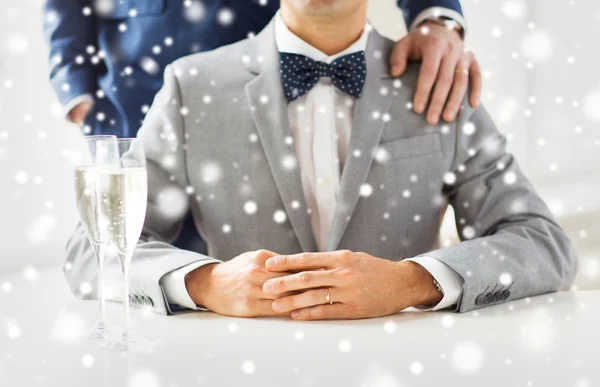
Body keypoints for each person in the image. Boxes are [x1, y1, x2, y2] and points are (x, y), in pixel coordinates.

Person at [65, 0, 577, 320]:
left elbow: (544, 243)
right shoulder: (190, 87)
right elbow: (91, 252)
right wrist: (204, 284)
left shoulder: (439, 82)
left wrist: (413, 282)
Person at [45, 0, 479, 255]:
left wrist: (436, 15)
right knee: (150, 271)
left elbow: (531, 235)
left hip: (276, 65)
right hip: (138, 86)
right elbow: (96, 251)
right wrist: (77, 89)